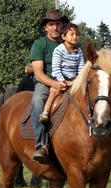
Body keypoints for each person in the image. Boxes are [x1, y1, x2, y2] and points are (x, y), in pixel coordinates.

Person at [30, 9, 70, 164]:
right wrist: (55, 83)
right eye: (51, 24)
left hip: (69, 82)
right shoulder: (39, 45)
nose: (55, 27)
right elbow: (38, 73)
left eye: (58, 24)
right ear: (46, 27)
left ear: (63, 26)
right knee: (37, 101)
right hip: (46, 83)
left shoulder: (68, 44)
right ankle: (41, 145)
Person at [39, 22, 84, 124]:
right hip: (60, 78)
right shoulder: (59, 50)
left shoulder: (79, 52)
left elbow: (81, 69)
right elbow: (56, 67)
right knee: (53, 93)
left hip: (74, 80)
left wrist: (77, 81)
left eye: (76, 35)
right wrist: (62, 81)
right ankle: (45, 112)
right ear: (63, 36)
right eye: (71, 34)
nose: (75, 37)